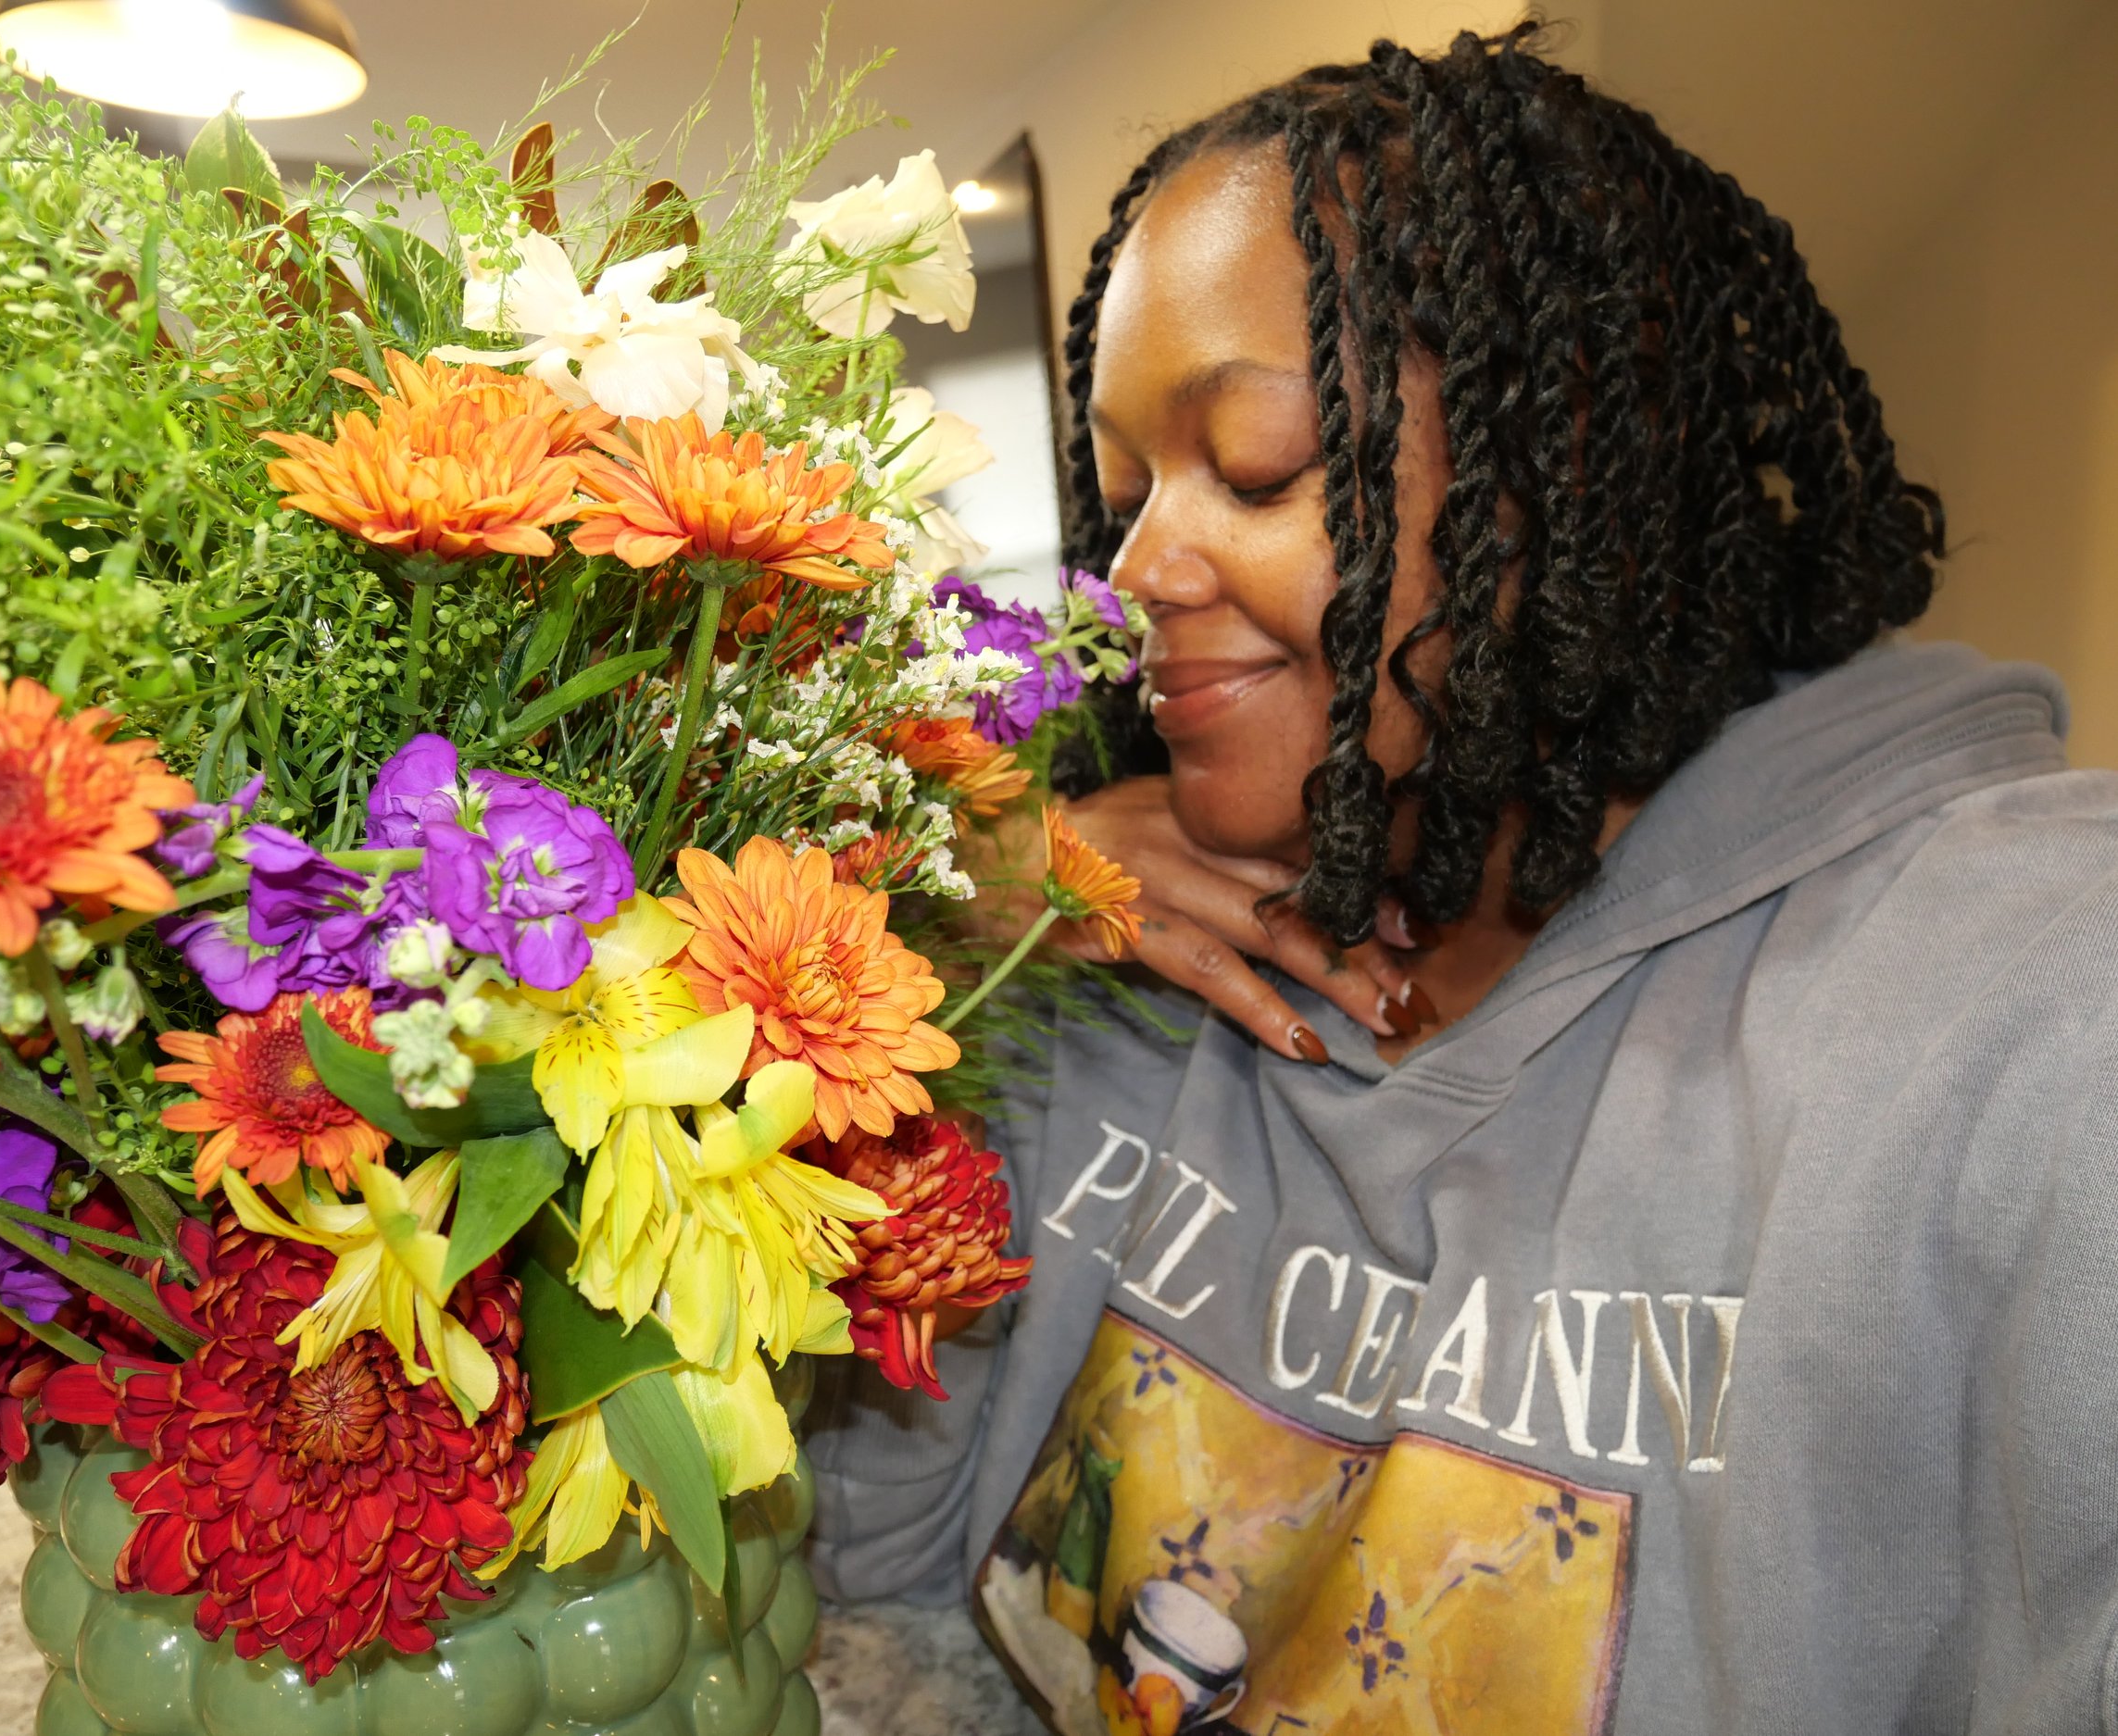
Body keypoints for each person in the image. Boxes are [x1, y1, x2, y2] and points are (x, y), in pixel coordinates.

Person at [804, 24, 2118, 1735]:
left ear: (1552, 466)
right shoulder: (1116, 942)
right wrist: (934, 925)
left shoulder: (2043, 1010)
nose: (1133, 571)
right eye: (1121, 495)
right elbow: (857, 1594)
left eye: (1258, 467)